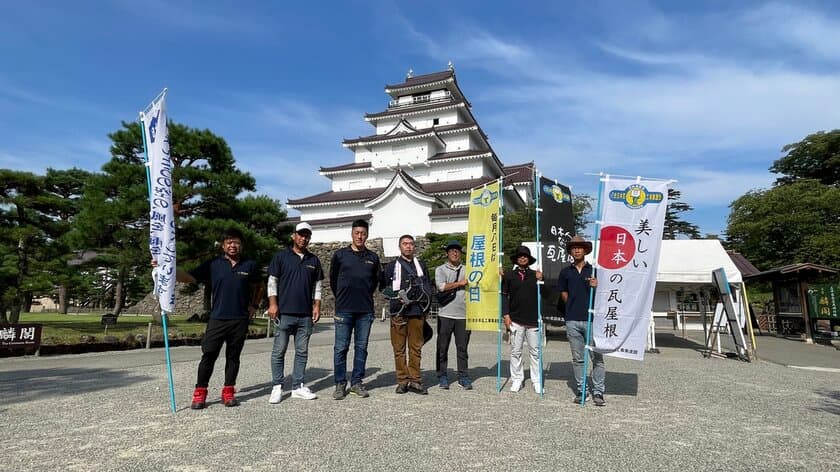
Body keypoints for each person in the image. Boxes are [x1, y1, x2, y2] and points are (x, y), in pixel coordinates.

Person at [175, 228, 262, 409]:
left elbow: (259, 286)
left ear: (241, 245)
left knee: (233, 356)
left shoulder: (250, 265)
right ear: (223, 245)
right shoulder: (214, 264)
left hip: (239, 319)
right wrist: (168, 268)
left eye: (236, 242)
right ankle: (200, 393)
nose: (233, 245)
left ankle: (228, 392)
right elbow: (189, 278)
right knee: (208, 355)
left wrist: (254, 305)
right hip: (218, 318)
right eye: (229, 242)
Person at [267, 222, 323, 403]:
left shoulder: (313, 260)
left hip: (305, 314)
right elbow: (272, 282)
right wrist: (273, 304)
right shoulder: (281, 257)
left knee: (302, 351)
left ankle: (297, 386)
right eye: (300, 234)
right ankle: (277, 386)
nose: (303, 238)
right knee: (279, 351)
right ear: (294, 236)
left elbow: (318, 286)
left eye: (307, 235)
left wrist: (317, 306)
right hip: (284, 313)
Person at [329, 219, 380, 400]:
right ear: (352, 233)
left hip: (365, 310)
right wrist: (342, 295)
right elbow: (333, 280)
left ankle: (357, 382)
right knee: (341, 348)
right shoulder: (340, 255)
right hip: (344, 308)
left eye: (363, 233)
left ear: (367, 235)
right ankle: (340, 383)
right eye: (357, 233)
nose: (360, 236)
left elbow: (374, 282)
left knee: (361, 347)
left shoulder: (373, 258)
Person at [381, 234, 432, 395]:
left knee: (415, 347)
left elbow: (428, 286)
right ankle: (402, 380)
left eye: (411, 244)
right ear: (399, 246)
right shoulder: (391, 266)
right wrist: (396, 296)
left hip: (417, 310)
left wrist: (423, 301)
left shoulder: (421, 265)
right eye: (405, 244)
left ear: (414, 246)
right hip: (398, 311)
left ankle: (415, 380)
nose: (408, 246)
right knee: (399, 348)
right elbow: (383, 287)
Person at [557, 235, 604, 406]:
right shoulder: (565, 272)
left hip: (592, 320)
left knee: (597, 358)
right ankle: (582, 390)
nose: (577, 250)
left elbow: (605, 295)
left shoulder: (594, 271)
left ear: (585, 250)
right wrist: (569, 303)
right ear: (570, 251)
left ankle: (598, 391)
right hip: (572, 320)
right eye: (573, 247)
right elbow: (562, 291)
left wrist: (597, 285)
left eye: (580, 247)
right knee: (577, 359)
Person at [501, 245, 544, 394]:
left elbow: (546, 294)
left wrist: (542, 279)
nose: (523, 258)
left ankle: (537, 380)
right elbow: (504, 296)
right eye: (520, 256)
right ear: (516, 259)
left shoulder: (536, 275)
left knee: (535, 352)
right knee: (515, 351)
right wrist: (505, 315)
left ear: (529, 259)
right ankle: (517, 379)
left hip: (533, 320)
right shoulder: (509, 275)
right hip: (515, 319)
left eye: (525, 256)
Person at [434, 240, 472, 390]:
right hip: (445, 314)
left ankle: (463, 376)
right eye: (452, 251)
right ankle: (442, 376)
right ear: (447, 254)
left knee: (462, 348)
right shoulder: (440, 269)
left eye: (457, 251)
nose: (455, 253)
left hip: (464, 315)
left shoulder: (468, 268)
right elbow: (441, 287)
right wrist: (461, 283)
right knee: (442, 347)